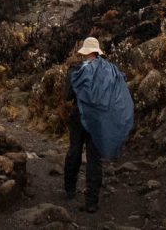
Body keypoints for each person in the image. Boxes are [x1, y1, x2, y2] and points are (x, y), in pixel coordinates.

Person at [64, 36, 135, 213]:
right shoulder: (112, 71)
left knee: (74, 152)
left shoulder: (76, 70)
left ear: (84, 52)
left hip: (79, 118)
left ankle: (69, 190)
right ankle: (92, 202)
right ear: (97, 52)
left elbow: (67, 95)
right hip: (100, 121)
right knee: (94, 160)